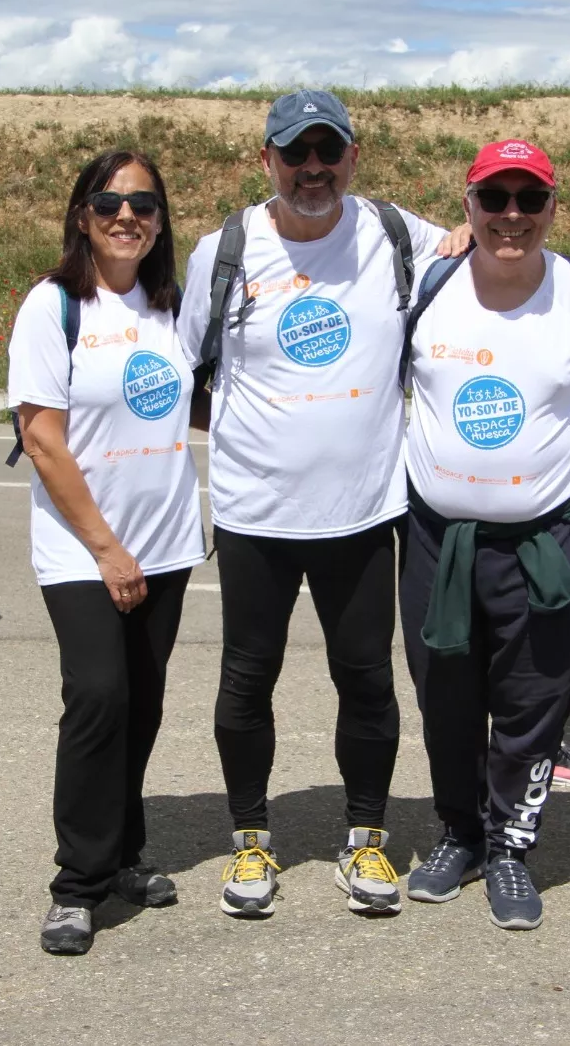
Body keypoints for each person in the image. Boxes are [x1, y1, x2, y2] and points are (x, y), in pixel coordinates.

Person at [176, 89, 453, 919]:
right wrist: (252, 432)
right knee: (245, 683)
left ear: (353, 159)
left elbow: (493, 248)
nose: (312, 169)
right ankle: (252, 843)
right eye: (295, 153)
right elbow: (186, 373)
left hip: (365, 515)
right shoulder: (223, 251)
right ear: (266, 160)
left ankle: (366, 843)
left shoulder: (397, 235)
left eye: (328, 152)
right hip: (257, 517)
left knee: (366, 682)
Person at [399, 140, 570, 930]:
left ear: (554, 207)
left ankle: (512, 847)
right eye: (495, 199)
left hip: (545, 540)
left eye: (530, 199)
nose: (511, 216)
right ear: (469, 205)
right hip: (439, 541)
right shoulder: (430, 285)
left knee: (531, 704)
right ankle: (459, 834)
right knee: (446, 700)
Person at [8, 151, 205, 955]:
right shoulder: (52, 307)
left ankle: (123, 852)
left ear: (160, 220)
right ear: (81, 215)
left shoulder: (174, 308)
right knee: (97, 698)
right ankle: (76, 885)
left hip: (164, 543)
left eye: (144, 204)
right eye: (108, 202)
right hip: (85, 549)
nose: (127, 216)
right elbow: (42, 441)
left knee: (142, 703)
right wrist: (106, 548)